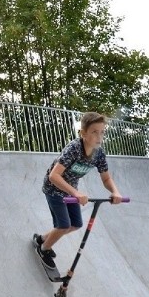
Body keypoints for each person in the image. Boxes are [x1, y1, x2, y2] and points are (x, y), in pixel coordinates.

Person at [33, 111, 123, 273]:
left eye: (102, 132)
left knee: (75, 225)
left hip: (70, 192)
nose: (99, 136)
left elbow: (106, 179)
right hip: (54, 189)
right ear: (83, 133)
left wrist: (115, 192)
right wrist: (76, 193)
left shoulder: (99, 154)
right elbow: (54, 176)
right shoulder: (73, 149)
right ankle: (43, 249)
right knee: (63, 225)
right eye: (94, 132)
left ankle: (40, 239)